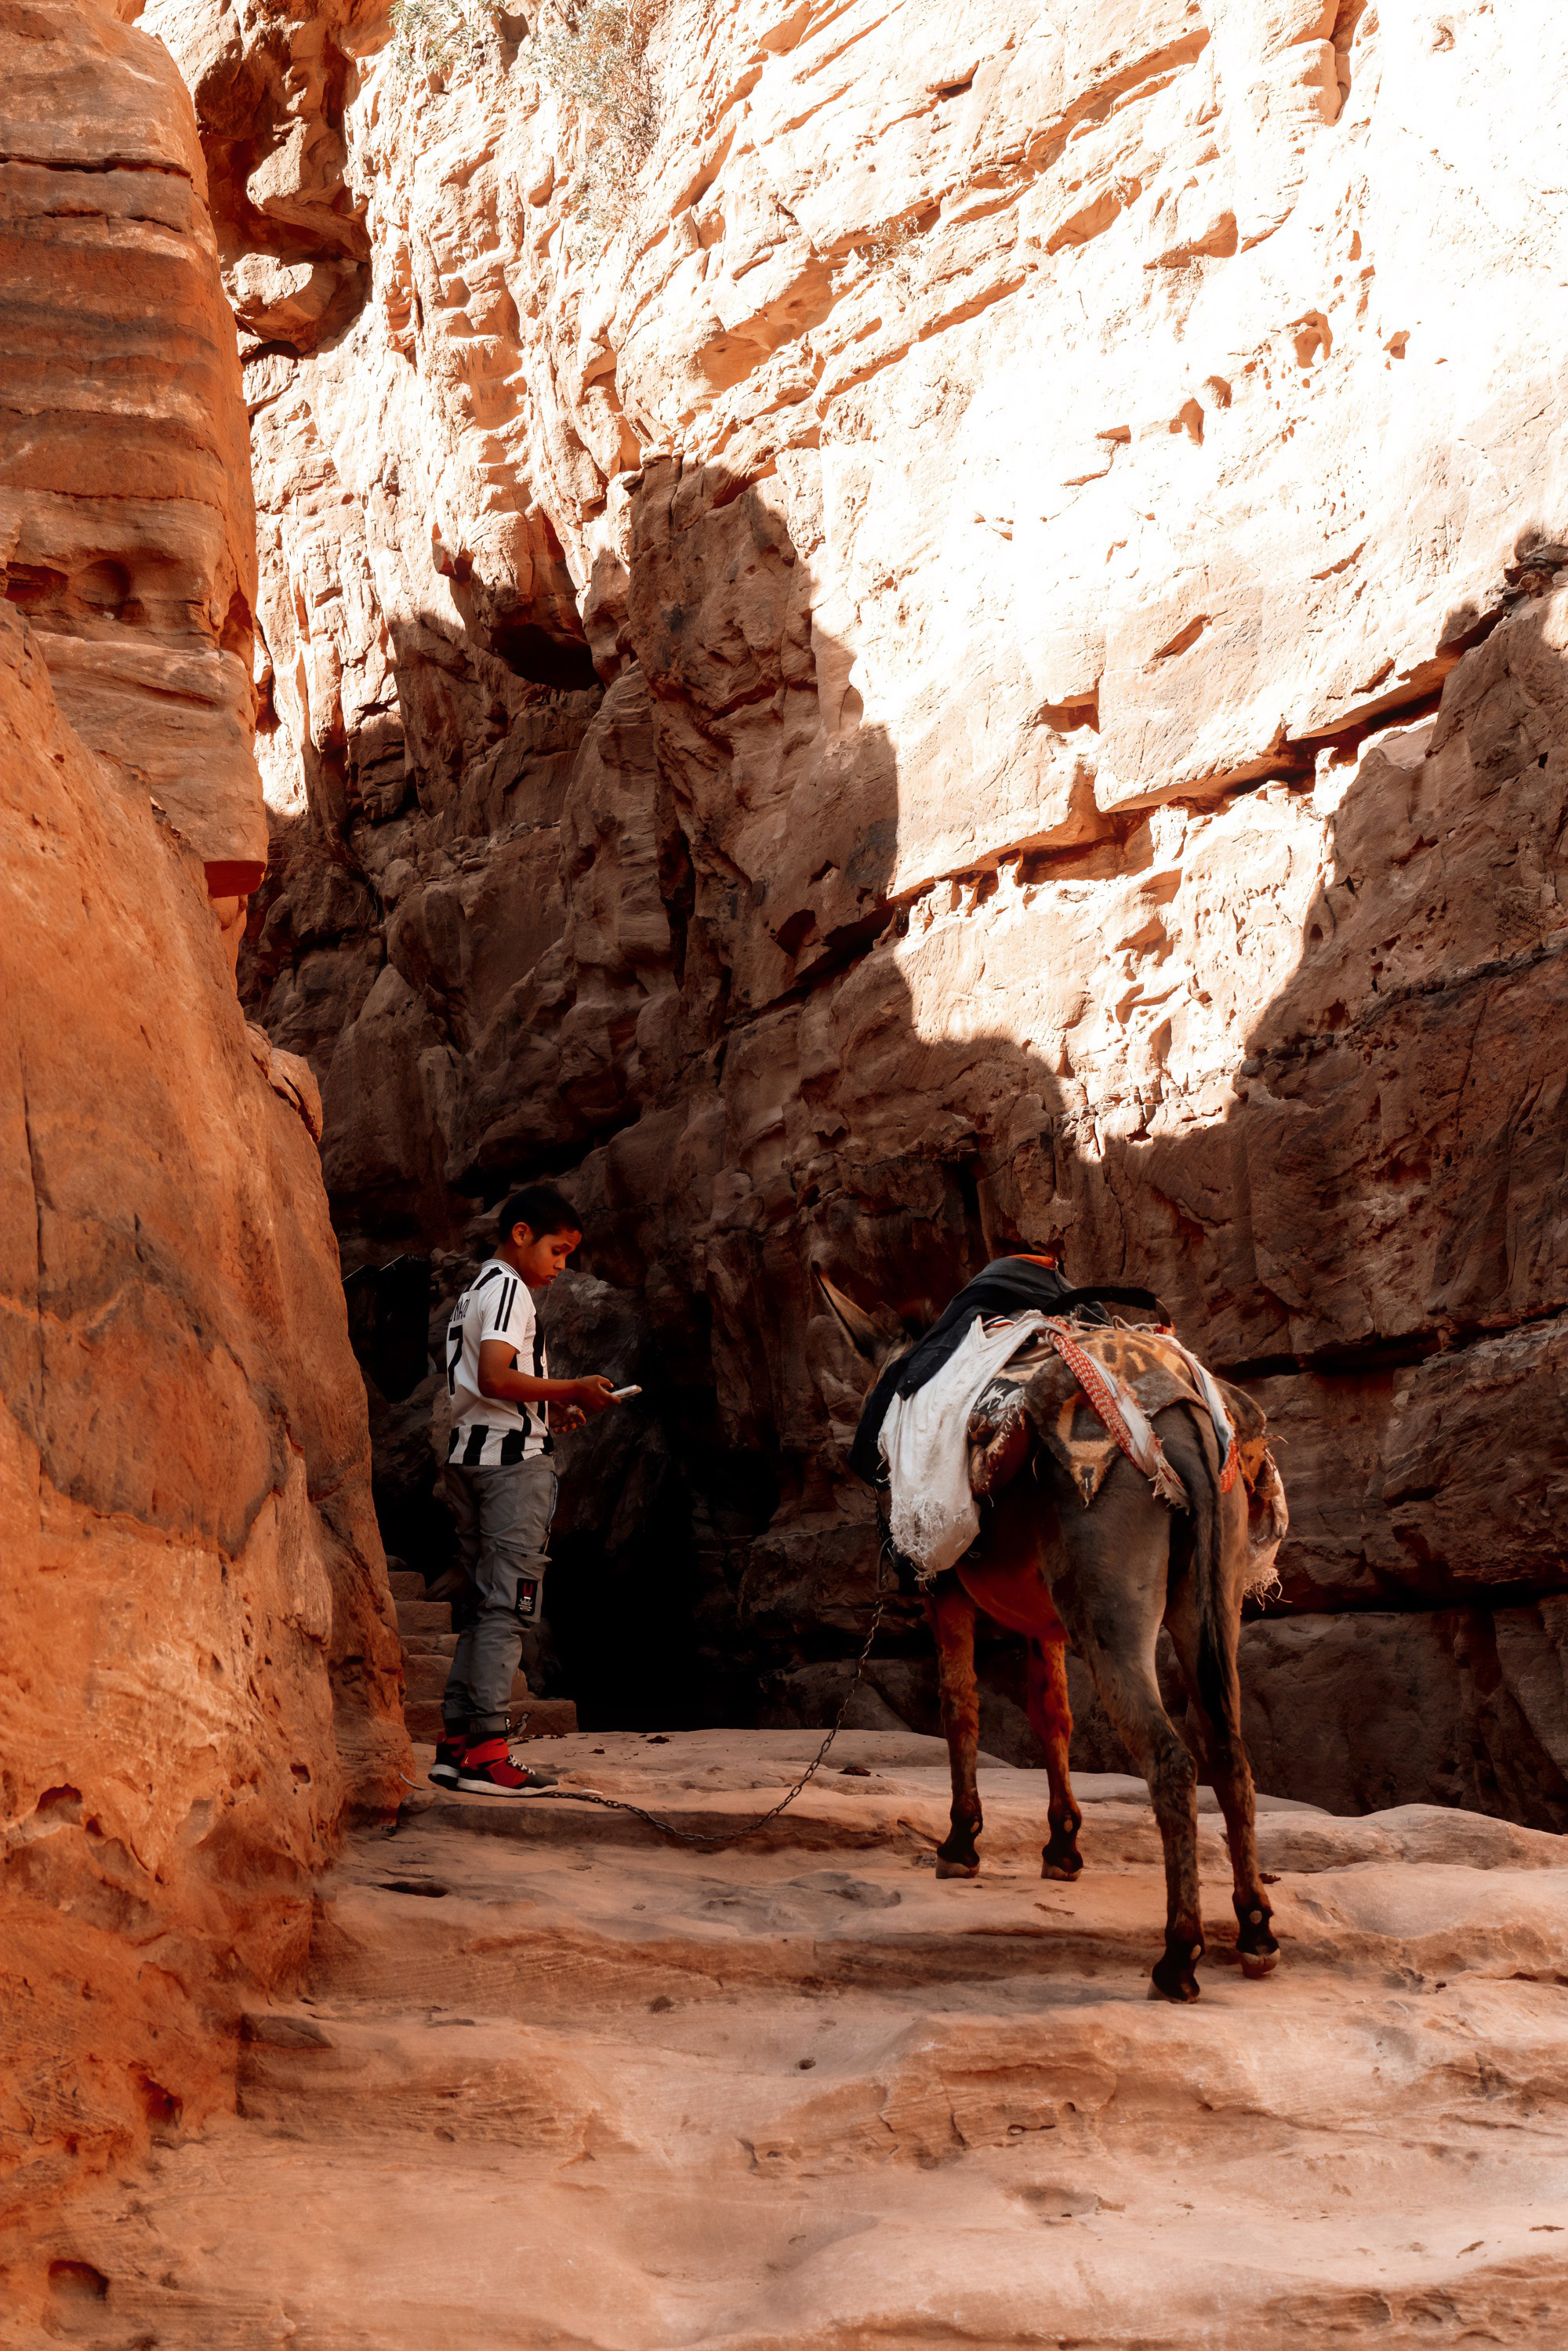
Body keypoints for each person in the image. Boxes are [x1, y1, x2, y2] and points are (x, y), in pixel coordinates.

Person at [430, 1184, 620, 1795]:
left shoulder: (475, 1290)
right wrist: (573, 1388)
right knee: (508, 1607)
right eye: (558, 1251)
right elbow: (495, 1375)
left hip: (469, 1457)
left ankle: (457, 1746)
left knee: (481, 1606)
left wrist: (546, 1409)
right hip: (510, 1469)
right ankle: (489, 1753)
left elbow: (485, 1387)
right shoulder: (511, 1289)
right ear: (521, 1235)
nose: (562, 1266)